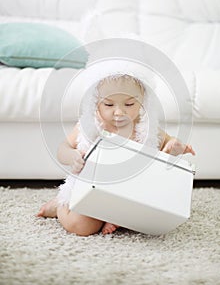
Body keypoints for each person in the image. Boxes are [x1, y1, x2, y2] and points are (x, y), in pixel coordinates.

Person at [37, 60, 195, 236]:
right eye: (109, 104)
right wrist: (72, 155)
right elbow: (63, 148)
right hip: (92, 192)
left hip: (131, 194)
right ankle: (59, 206)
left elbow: (166, 143)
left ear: (143, 101)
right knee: (81, 226)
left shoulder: (145, 129)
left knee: (152, 218)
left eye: (129, 104)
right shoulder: (89, 127)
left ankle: (117, 218)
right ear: (95, 102)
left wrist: (173, 146)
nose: (119, 112)